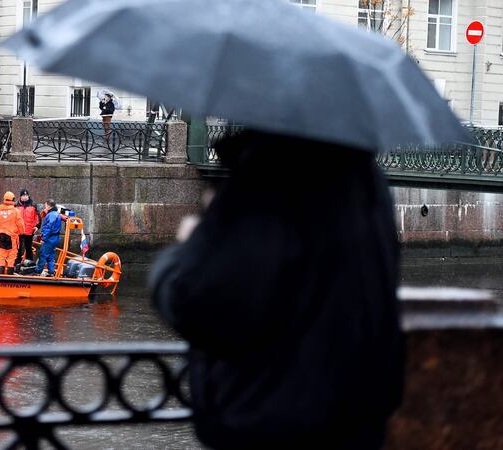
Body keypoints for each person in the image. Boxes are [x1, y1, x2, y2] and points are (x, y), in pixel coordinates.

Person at [149, 130, 404, 450]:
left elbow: (198, 299)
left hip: (269, 421)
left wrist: (189, 246)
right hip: (355, 423)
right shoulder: (368, 180)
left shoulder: (268, 173)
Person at [0, 191, 25, 275]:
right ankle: (9, 274)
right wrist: (21, 232)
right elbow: (20, 224)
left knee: (1, 255)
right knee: (12, 255)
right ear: (13, 199)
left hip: (1, 235)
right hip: (12, 236)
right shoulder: (16, 211)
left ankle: (1, 273)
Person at [36, 199, 63, 277]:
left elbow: (49, 227)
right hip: (55, 238)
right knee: (51, 255)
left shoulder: (51, 215)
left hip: (49, 238)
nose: (45, 208)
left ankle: (38, 271)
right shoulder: (56, 214)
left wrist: (43, 238)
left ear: (48, 206)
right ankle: (51, 271)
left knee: (43, 254)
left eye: (45, 206)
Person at [15, 188, 39, 265]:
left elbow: (37, 217)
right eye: (23, 195)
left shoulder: (33, 205)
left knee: (28, 247)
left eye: (26, 195)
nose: (25, 197)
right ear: (20, 197)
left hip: (29, 230)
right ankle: (17, 262)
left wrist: (37, 226)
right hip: (18, 230)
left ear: (28, 196)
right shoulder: (16, 205)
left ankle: (29, 262)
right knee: (18, 247)